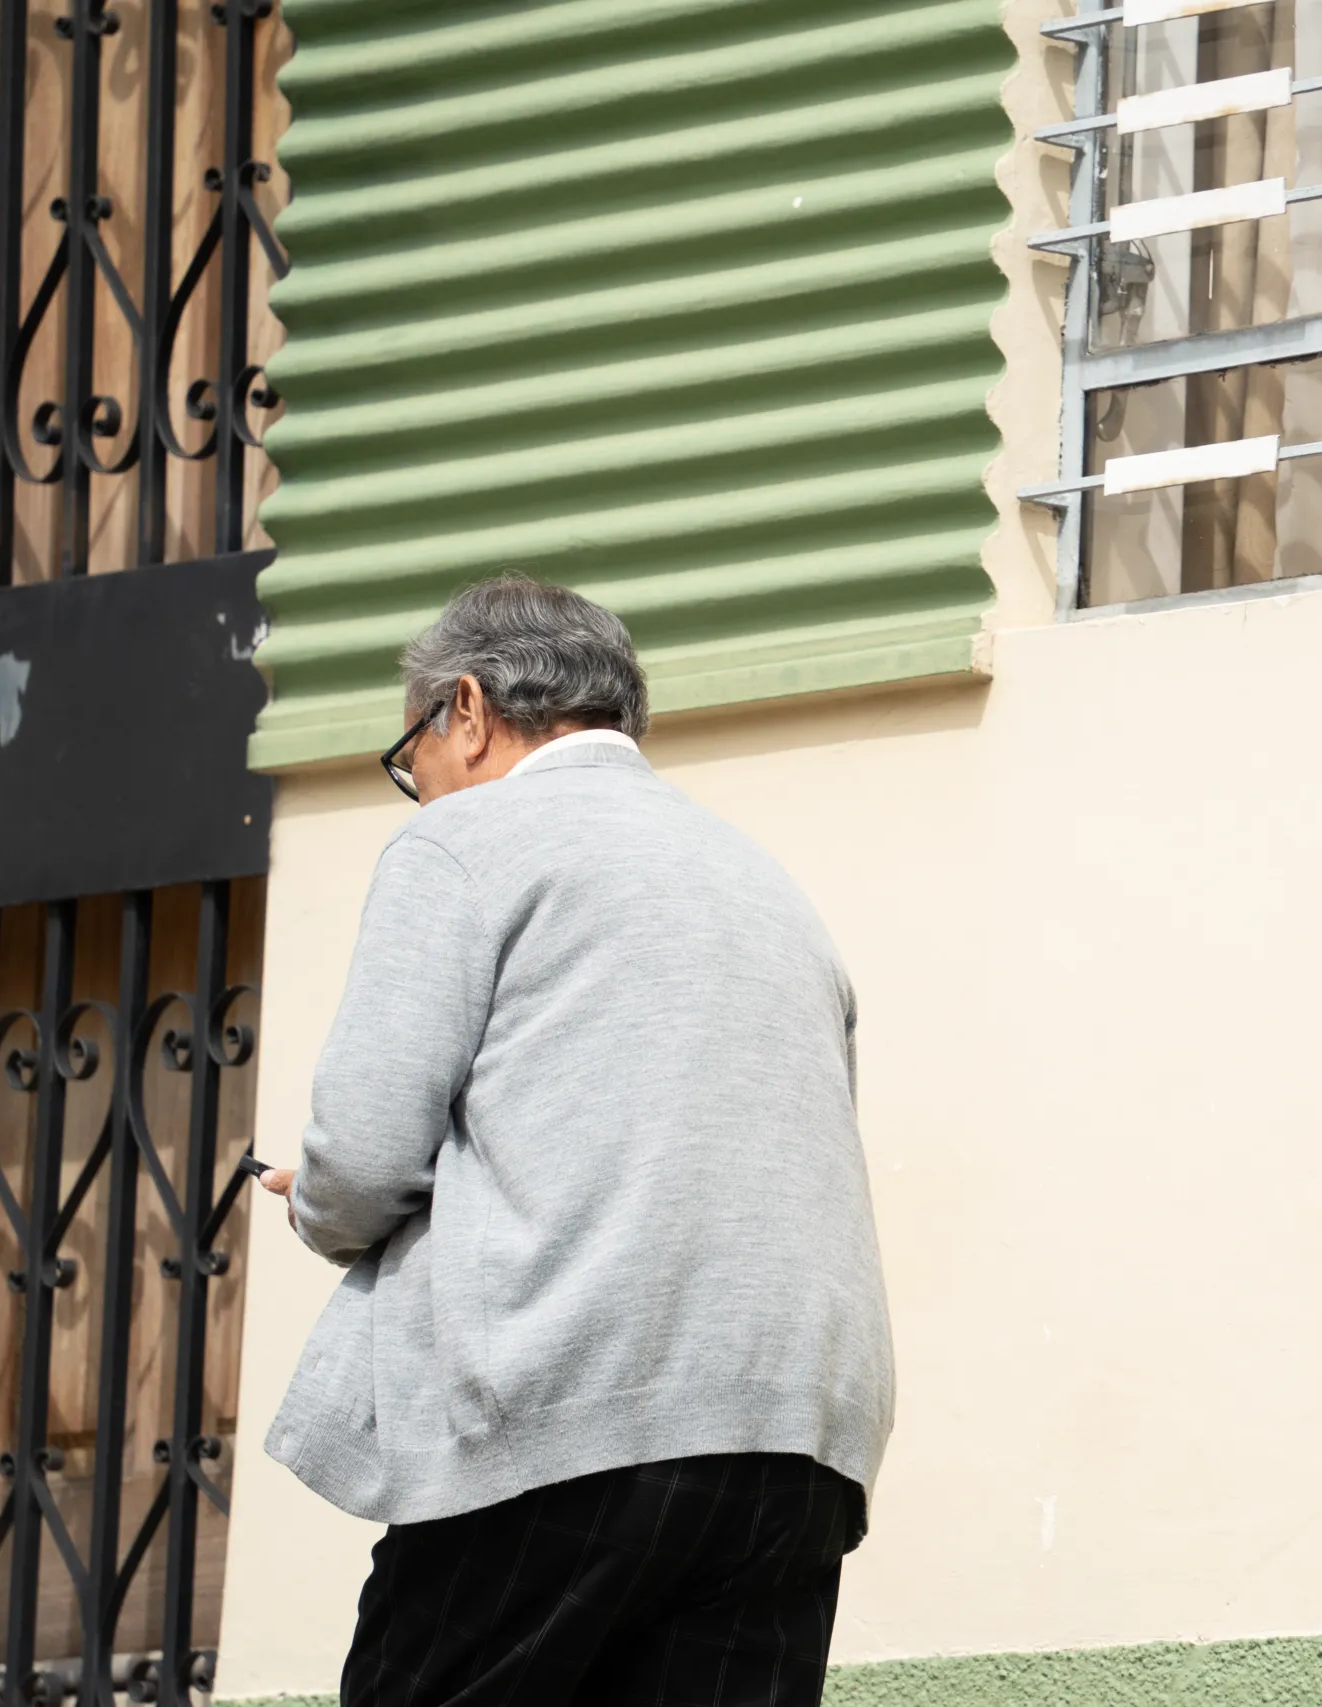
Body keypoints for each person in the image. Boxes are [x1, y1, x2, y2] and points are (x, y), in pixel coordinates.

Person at [259, 576, 894, 1706]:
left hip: (571, 1410)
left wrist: (319, 1203)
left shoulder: (469, 840)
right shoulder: (763, 881)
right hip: (797, 1439)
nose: (423, 791)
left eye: (413, 759)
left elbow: (359, 1156)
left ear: (466, 710)